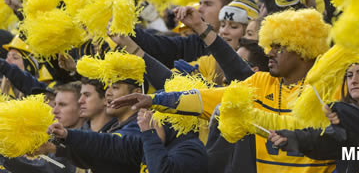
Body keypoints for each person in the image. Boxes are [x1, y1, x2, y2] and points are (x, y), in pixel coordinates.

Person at [111, 9, 337, 173]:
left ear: (303, 50)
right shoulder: (259, 81)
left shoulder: (327, 89)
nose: (270, 52)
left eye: (280, 47)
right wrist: (153, 99)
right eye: (270, 45)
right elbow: (205, 98)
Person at [43, 109, 208, 173]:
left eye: (151, 118)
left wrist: (150, 135)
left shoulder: (191, 149)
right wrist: (67, 136)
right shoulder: (150, 143)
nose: (143, 126)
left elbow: (161, 171)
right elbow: (110, 147)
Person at [131, 0, 237, 68]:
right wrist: (124, 26)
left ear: (226, 11)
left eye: (208, 4)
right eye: (200, 3)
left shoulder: (241, 47)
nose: (199, 9)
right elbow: (156, 45)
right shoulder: (193, 43)